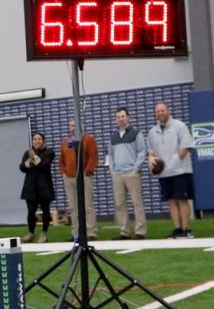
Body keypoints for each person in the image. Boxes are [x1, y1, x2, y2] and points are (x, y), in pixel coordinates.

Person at [146, 102, 194, 238]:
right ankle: (177, 228)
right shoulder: (152, 132)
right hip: (163, 173)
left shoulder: (180, 126)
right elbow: (150, 150)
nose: (160, 113)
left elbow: (185, 147)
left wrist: (174, 162)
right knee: (171, 200)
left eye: (162, 110)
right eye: (157, 111)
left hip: (180, 170)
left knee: (182, 199)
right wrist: (150, 158)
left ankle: (186, 229)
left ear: (168, 110)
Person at [107, 107, 147, 240]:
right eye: (118, 117)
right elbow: (110, 155)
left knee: (137, 203)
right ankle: (124, 232)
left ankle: (140, 231)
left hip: (132, 174)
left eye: (123, 116)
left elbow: (142, 152)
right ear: (115, 119)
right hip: (118, 175)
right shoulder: (113, 137)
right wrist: (113, 171)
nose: (120, 119)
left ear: (128, 117)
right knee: (120, 205)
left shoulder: (136, 133)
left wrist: (135, 170)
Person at [59, 118, 98, 241]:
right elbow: (61, 160)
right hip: (69, 178)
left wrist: (87, 171)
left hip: (84, 176)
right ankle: (76, 234)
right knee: (73, 207)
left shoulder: (88, 139)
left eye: (75, 125)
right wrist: (64, 173)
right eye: (71, 125)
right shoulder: (65, 142)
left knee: (87, 205)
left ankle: (91, 233)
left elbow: (93, 156)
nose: (73, 127)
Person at [19, 132, 55, 243]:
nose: (37, 141)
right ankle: (30, 233)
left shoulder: (49, 152)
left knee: (45, 210)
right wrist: (30, 160)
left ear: (43, 141)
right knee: (31, 211)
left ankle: (44, 233)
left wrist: (34, 157)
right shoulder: (28, 153)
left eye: (39, 139)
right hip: (30, 186)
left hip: (44, 186)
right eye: (35, 139)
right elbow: (22, 168)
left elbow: (44, 165)